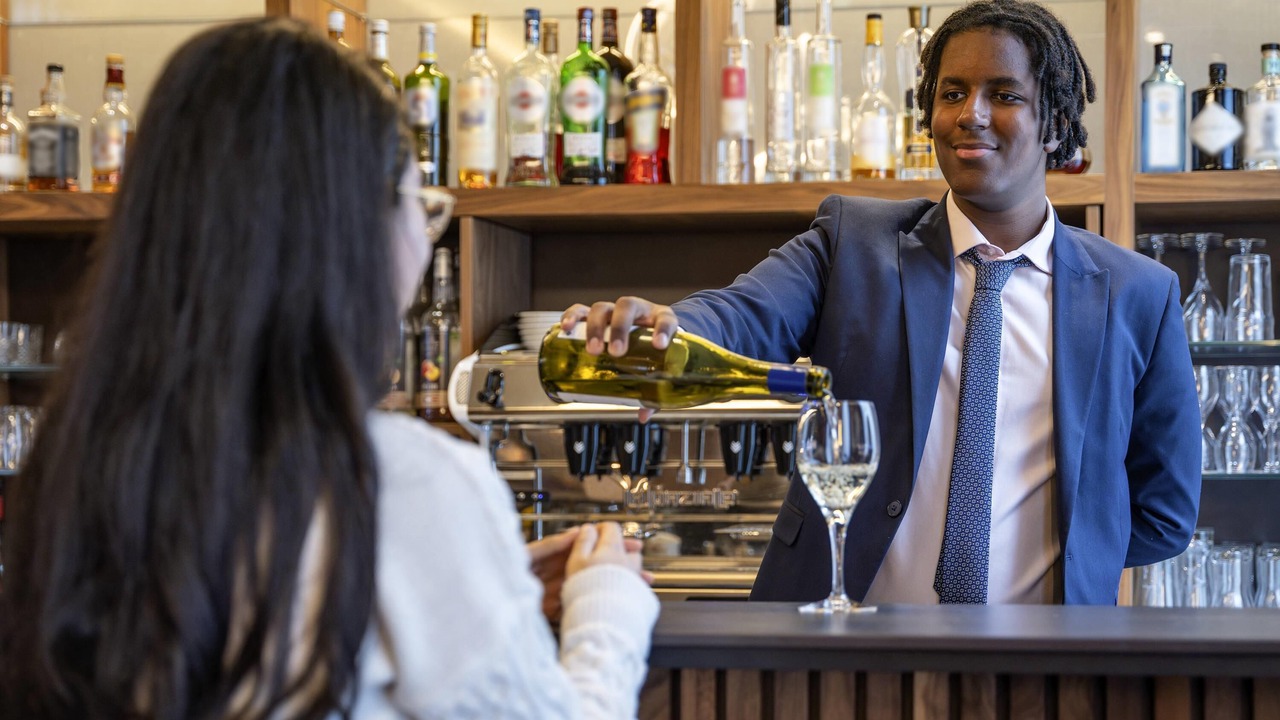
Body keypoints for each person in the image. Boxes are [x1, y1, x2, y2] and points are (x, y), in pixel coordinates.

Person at [0, 18, 657, 719]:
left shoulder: (76, 461)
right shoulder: (402, 479)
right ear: (353, 230)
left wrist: (482, 584)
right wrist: (609, 602)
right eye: (423, 207)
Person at [562, 0, 1201, 606]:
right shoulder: (854, 243)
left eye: (1003, 95)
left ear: (1057, 123)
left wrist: (1075, 555)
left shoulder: (1136, 293)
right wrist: (667, 328)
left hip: (1040, 668)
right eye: (952, 93)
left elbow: (1165, 513)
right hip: (846, 650)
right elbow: (745, 314)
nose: (970, 114)